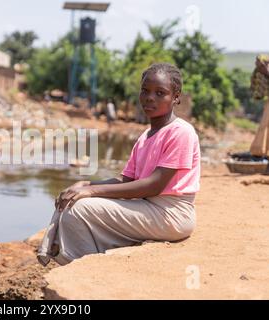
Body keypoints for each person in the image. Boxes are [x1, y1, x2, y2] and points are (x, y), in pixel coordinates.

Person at [38, 63, 201, 266]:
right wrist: (86, 185)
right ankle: (83, 260)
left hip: (171, 214)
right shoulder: (145, 136)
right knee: (71, 198)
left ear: (176, 97)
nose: (150, 97)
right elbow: (126, 179)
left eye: (160, 93)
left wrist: (93, 193)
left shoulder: (180, 132)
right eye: (145, 91)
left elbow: (155, 185)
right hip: (148, 206)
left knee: (81, 209)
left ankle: (84, 267)